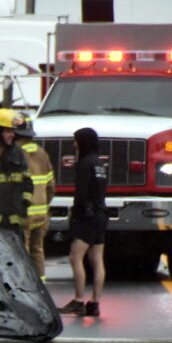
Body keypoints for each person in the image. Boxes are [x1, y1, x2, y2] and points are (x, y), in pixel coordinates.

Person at [60, 127, 108, 317]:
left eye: (76, 140)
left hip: (86, 215)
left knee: (75, 257)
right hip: (101, 213)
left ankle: (79, 300)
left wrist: (76, 215)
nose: (74, 144)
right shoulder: (99, 164)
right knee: (97, 259)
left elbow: (81, 193)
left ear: (83, 143)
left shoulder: (84, 164)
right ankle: (95, 303)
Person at [16, 118, 55, 281]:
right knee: (37, 250)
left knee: (22, 251)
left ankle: (25, 285)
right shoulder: (42, 153)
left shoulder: (16, 154)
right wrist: (45, 205)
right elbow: (51, 186)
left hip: (24, 213)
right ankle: (41, 284)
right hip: (41, 213)